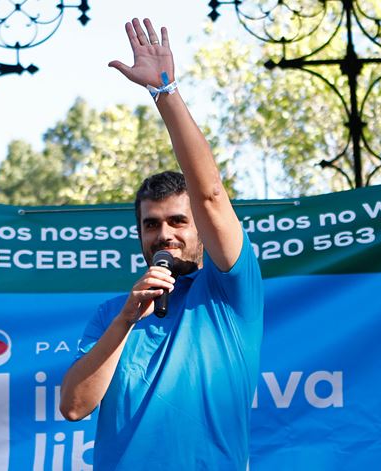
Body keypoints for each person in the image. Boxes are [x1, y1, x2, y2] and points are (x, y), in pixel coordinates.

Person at [59, 18, 264, 470]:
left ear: (201, 231)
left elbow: (209, 193)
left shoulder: (229, 294)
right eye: (151, 225)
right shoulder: (113, 313)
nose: (164, 235)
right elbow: (73, 407)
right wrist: (126, 320)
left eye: (177, 221)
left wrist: (164, 92)